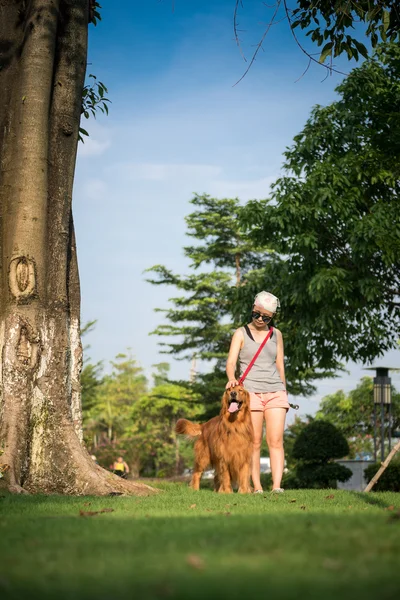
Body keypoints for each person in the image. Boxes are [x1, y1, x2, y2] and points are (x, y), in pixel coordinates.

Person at [226, 291, 290, 494]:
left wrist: (284, 390)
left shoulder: (277, 334)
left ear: (272, 317)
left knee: (276, 440)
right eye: (257, 315)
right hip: (250, 393)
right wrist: (231, 377)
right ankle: (257, 487)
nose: (261, 319)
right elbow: (230, 362)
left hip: (275, 391)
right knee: (254, 442)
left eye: (266, 317)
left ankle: (277, 486)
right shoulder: (240, 333)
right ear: (252, 310)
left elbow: (280, 364)